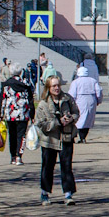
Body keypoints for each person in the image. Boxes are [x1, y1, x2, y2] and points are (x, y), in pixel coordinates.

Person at [34, 75, 79, 205]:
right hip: (49, 140)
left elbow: (76, 112)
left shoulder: (67, 99)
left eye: (58, 85)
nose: (57, 88)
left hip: (66, 137)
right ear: (48, 87)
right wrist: (57, 122)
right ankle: (45, 193)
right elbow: (41, 124)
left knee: (66, 166)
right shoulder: (43, 104)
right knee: (48, 166)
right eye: (54, 86)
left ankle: (68, 194)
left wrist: (71, 119)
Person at [0, 73, 33, 166]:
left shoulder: (6, 84)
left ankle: (13, 156)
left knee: (12, 135)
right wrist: (32, 115)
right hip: (23, 114)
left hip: (10, 114)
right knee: (21, 135)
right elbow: (30, 100)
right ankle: (19, 156)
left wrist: (0, 115)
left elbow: (2, 99)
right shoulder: (26, 84)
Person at [68, 64, 102, 143]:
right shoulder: (93, 81)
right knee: (88, 119)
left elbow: (72, 94)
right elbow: (99, 92)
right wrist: (98, 100)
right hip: (91, 99)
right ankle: (83, 137)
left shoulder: (75, 82)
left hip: (80, 100)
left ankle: (74, 136)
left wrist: (71, 103)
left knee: (78, 119)